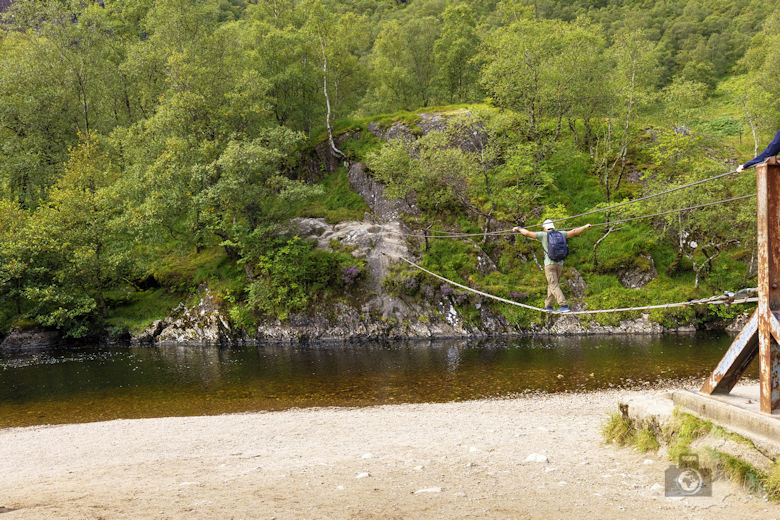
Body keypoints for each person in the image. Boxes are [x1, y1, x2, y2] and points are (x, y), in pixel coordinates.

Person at [512, 219, 592, 313]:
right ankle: (548, 306)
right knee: (552, 284)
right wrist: (585, 226)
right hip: (560, 264)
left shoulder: (543, 235)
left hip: (549, 265)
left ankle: (564, 305)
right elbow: (574, 231)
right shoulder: (561, 234)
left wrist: (519, 228)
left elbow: (527, 233)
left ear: (545, 228)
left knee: (553, 284)